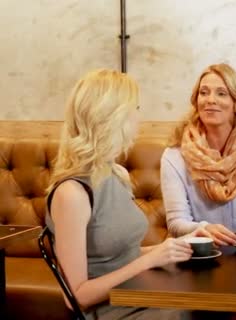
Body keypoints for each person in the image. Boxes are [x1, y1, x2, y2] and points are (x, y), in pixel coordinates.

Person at [45, 69, 203, 319]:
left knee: (210, 305)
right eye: (135, 108)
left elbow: (118, 257)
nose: (139, 117)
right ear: (111, 118)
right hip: (110, 312)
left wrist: (169, 248)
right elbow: (77, 296)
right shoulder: (72, 194)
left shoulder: (116, 173)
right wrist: (149, 261)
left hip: (139, 296)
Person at [161, 63, 236, 247]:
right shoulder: (174, 156)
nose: (210, 100)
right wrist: (204, 229)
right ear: (196, 101)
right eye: (203, 93)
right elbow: (176, 222)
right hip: (195, 256)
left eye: (221, 93)